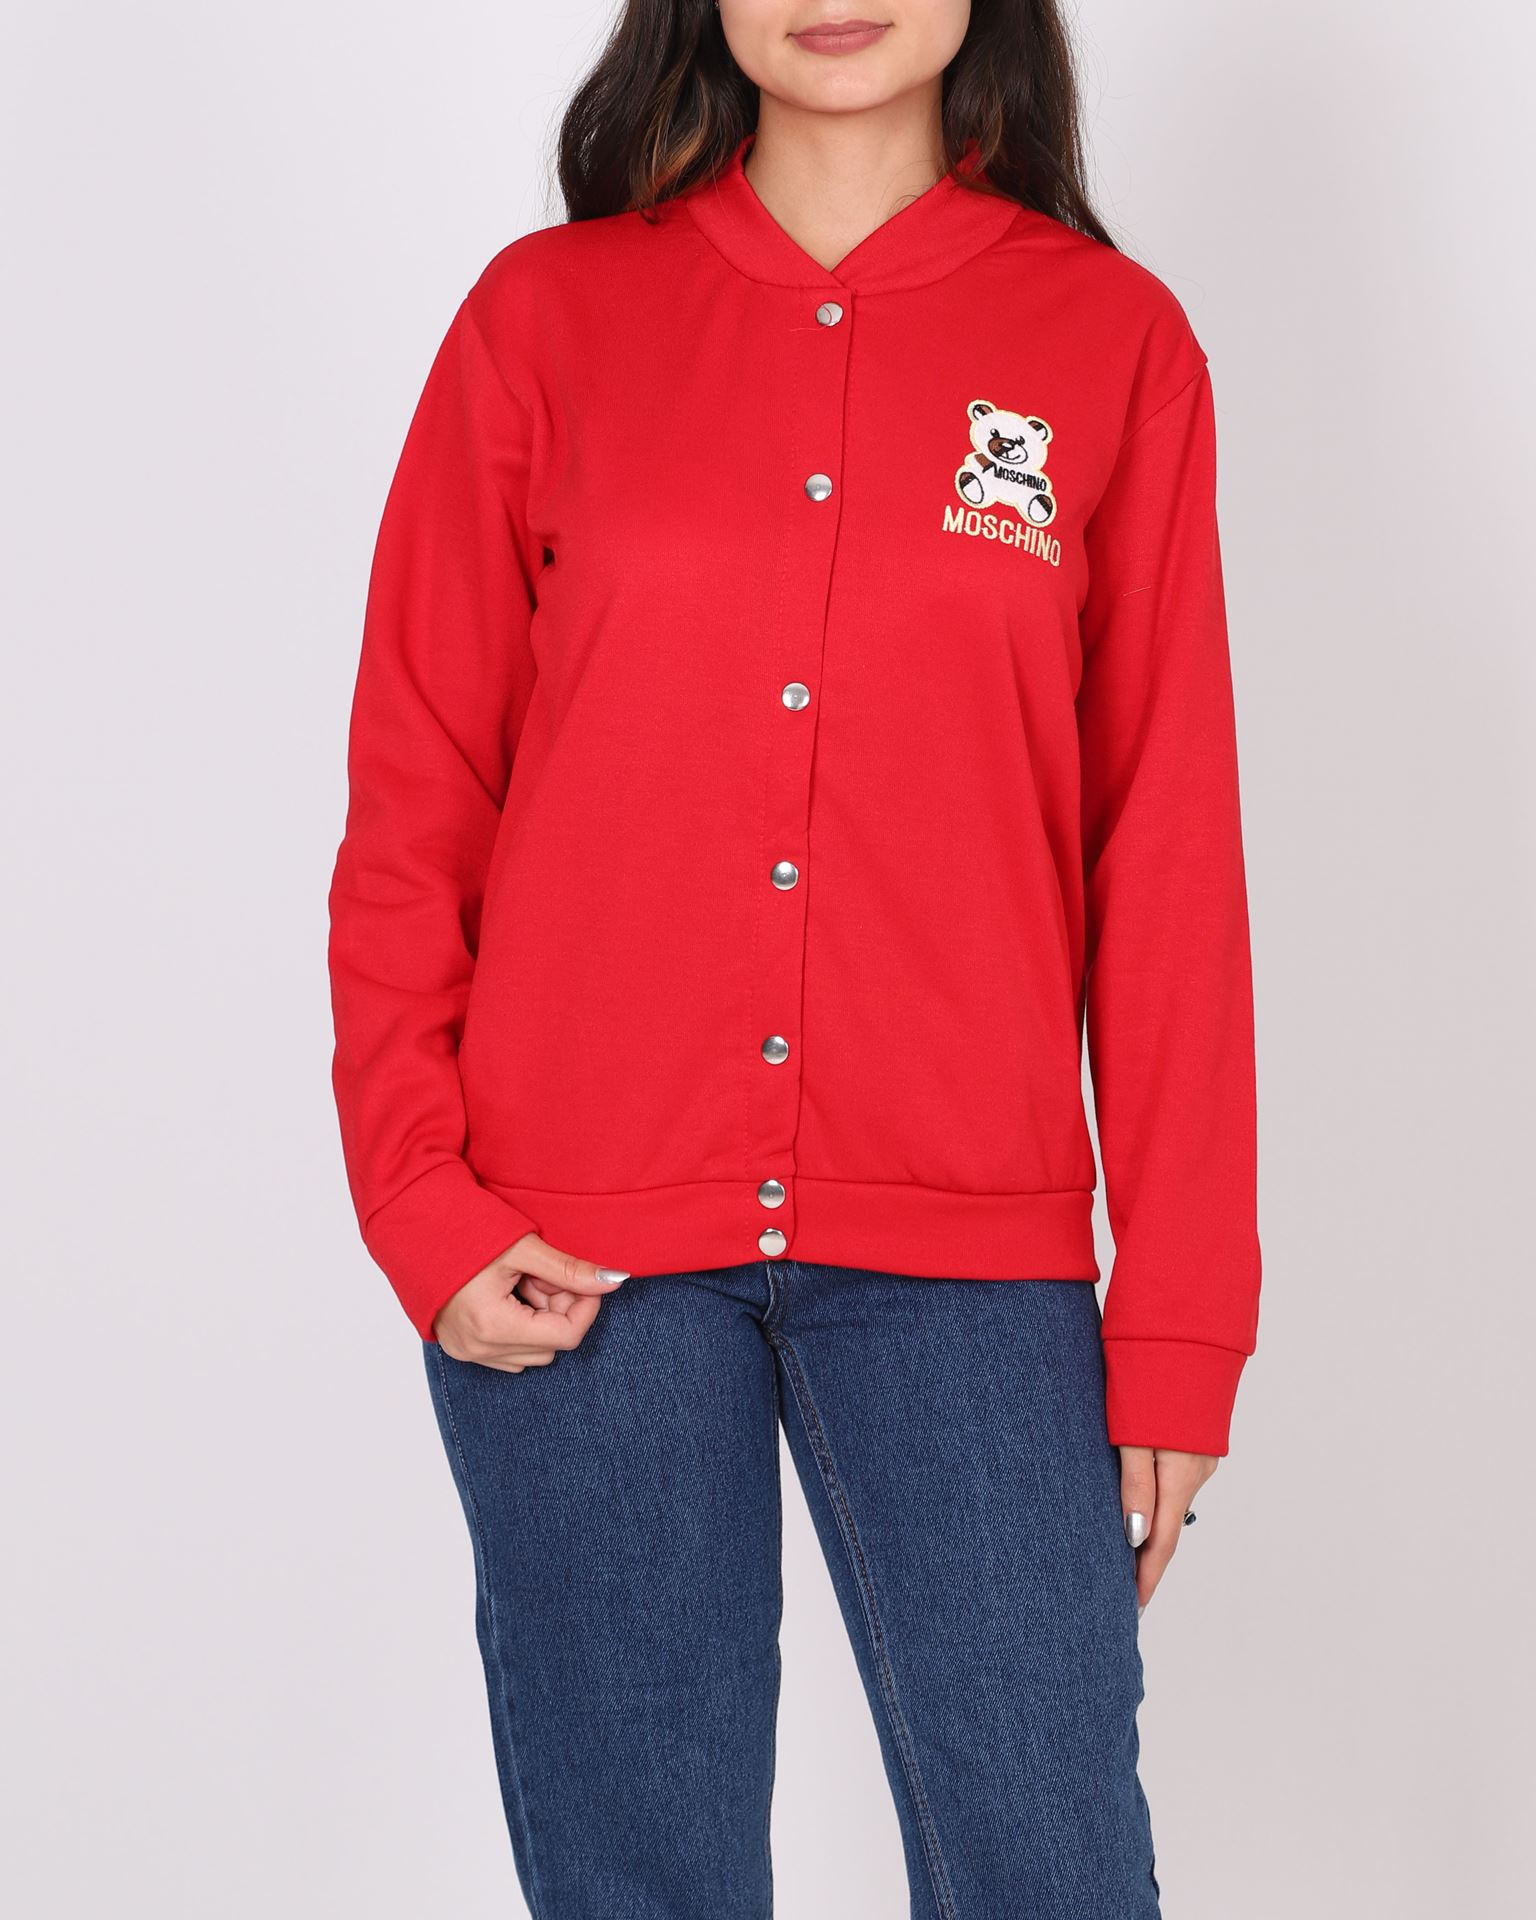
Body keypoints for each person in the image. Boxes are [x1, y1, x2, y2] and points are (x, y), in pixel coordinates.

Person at [326, 3, 1261, 1914]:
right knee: (640, 1881)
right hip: (572, 1250)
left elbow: (1163, 855)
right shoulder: (544, 322)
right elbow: (418, 802)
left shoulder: (1111, 344)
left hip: (970, 1252)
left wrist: (1180, 1317)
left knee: (1051, 1865)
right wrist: (418, 1199)